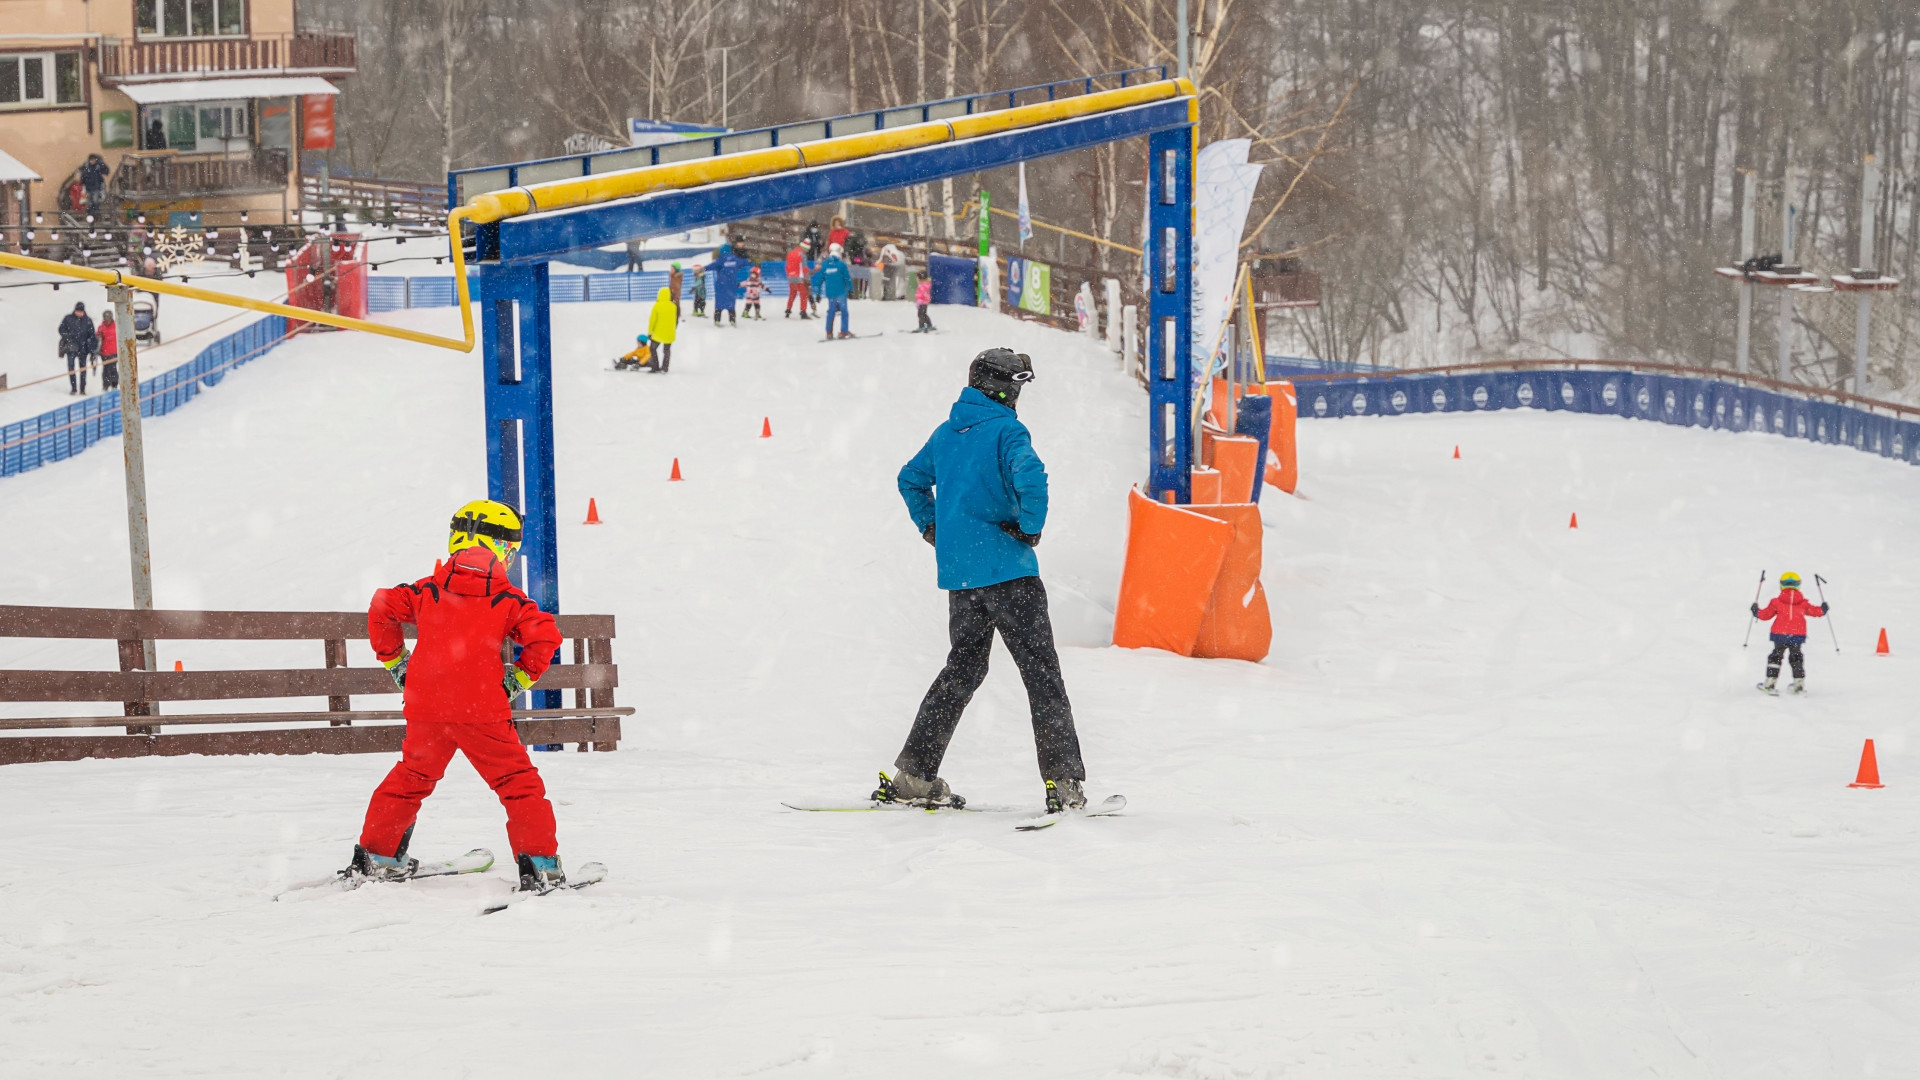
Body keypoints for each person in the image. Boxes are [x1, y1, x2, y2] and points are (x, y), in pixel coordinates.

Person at [882, 348, 1086, 812]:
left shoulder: (946, 433)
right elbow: (1031, 476)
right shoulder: (1007, 430)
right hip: (1010, 574)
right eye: (1017, 384)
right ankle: (1064, 784)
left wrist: (933, 527)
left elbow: (910, 479)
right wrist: (1030, 527)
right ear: (1004, 387)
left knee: (963, 670)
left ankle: (914, 774)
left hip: (963, 578)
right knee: (1041, 675)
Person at [349, 500, 572, 892]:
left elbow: (382, 604)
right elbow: (545, 635)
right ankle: (540, 866)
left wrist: (397, 662)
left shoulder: (427, 591)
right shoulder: (507, 601)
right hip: (481, 710)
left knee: (411, 777)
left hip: (426, 707)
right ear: (502, 549)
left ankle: (377, 857)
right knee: (518, 784)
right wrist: (517, 678)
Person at [1752, 571, 1828, 695]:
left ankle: (1770, 682)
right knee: (1796, 657)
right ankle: (1798, 684)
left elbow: (1765, 615)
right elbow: (1816, 612)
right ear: (1798, 585)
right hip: (1797, 635)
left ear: (1781, 585)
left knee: (1776, 656)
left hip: (1780, 634)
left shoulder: (1776, 602)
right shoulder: (1803, 603)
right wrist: (1823, 609)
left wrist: (1756, 611)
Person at [812, 243, 853, 340]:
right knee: (844, 312)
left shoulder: (825, 265)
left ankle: (829, 332)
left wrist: (817, 294)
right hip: (841, 293)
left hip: (830, 294)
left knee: (831, 312)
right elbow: (847, 278)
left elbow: (819, 280)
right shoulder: (842, 265)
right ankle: (844, 331)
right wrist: (850, 290)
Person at [58, 302, 97, 395]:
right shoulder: (68, 318)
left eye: (80, 312)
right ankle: (73, 388)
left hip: (83, 348)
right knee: (71, 367)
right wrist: (68, 337)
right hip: (71, 347)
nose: (79, 313)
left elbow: (92, 336)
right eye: (77, 311)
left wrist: (92, 351)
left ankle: (82, 388)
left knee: (83, 369)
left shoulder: (88, 320)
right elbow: (61, 329)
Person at [710, 243, 746, 326]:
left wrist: (702, 269)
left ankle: (717, 320)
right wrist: (750, 261)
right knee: (731, 305)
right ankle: (732, 320)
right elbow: (744, 262)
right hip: (731, 286)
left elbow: (712, 266)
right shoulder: (735, 259)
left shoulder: (720, 260)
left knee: (719, 305)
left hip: (721, 286)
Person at [647, 285, 677, 372]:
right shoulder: (673, 306)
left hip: (658, 333)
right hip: (669, 333)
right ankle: (665, 367)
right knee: (666, 350)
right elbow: (675, 320)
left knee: (652, 349)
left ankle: (655, 366)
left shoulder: (657, 306)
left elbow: (652, 320)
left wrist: (650, 332)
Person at [784, 244, 811, 319]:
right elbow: (805, 268)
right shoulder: (802, 255)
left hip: (791, 278)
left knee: (792, 294)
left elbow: (786, 266)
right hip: (800, 278)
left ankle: (788, 309)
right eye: (807, 249)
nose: (807, 251)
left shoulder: (790, 253)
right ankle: (803, 312)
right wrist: (808, 279)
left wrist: (789, 275)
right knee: (804, 295)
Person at [98, 309, 119, 390]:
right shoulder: (101, 327)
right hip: (104, 352)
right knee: (106, 369)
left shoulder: (116, 326)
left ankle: (114, 385)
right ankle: (105, 385)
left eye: (108, 319)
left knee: (113, 368)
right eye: (106, 319)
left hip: (114, 352)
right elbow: (98, 338)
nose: (107, 321)